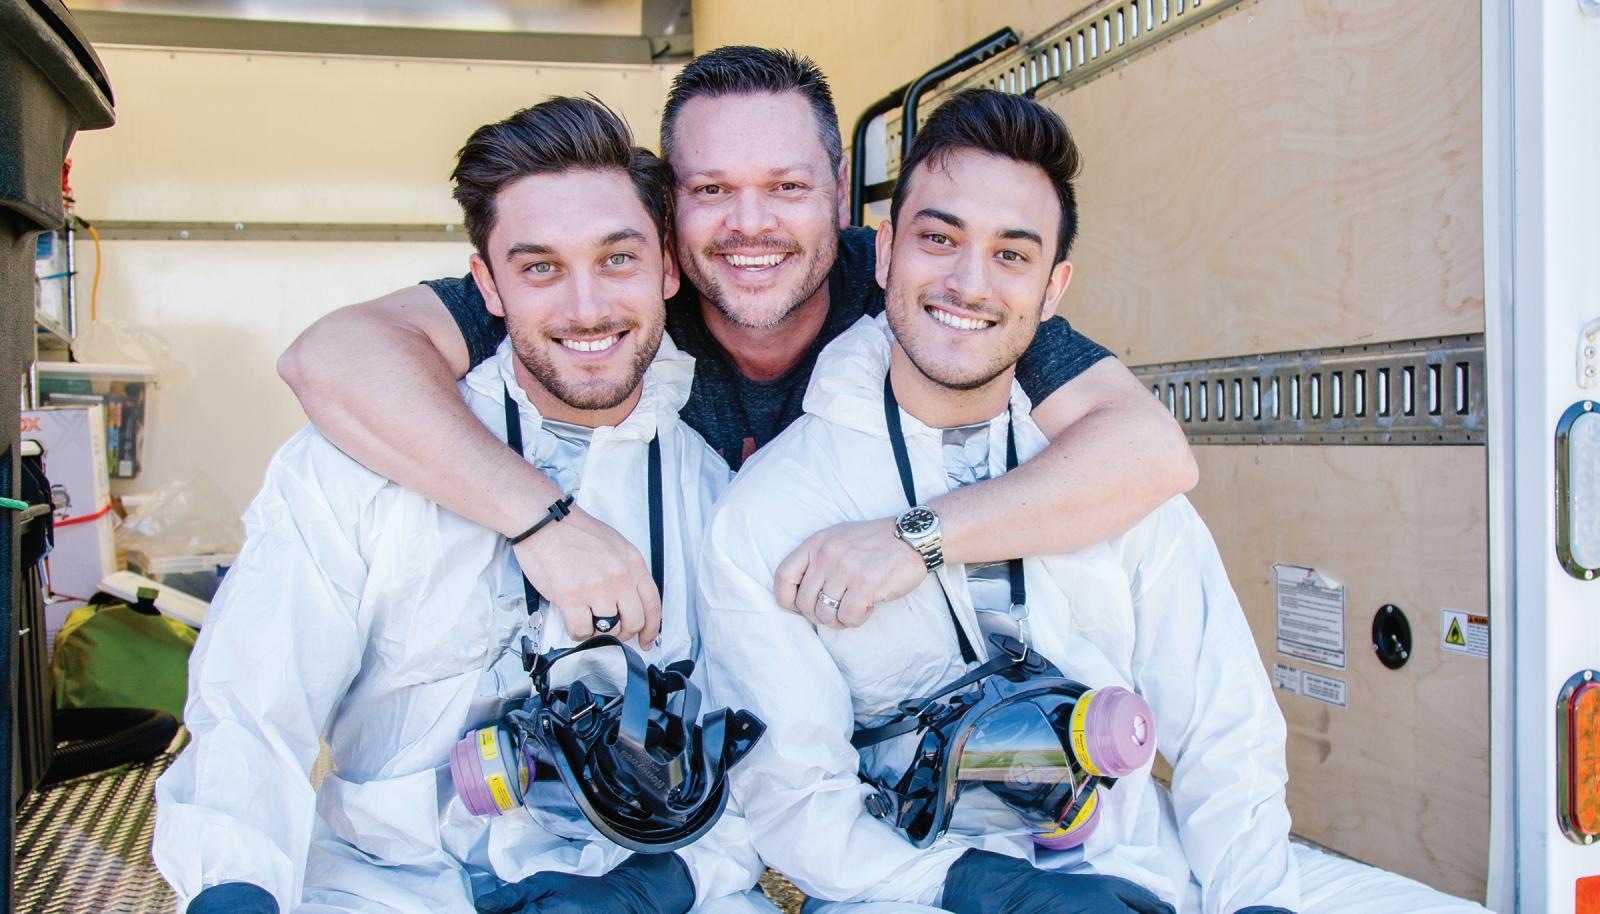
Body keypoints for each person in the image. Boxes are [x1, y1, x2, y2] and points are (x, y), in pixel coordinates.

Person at [696, 89, 1491, 914]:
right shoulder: (768, 513)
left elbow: (1223, 727)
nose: (969, 282)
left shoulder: (1102, 473)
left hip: (1139, 866)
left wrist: (1255, 897)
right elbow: (797, 799)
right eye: (939, 239)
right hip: (915, 891)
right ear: (887, 251)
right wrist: (987, 888)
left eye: (1012, 255)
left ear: (1053, 290)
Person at [275, 46, 1198, 648]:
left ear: (841, 191)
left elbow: (1148, 450)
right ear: (666, 207)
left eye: (786, 187)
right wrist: (539, 520)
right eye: (711, 190)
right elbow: (335, 356)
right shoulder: (618, 294)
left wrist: (920, 538)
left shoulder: (912, 286)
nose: (749, 225)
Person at [153, 98, 772, 914]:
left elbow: (763, 746)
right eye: (540, 268)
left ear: (666, 268)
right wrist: (233, 888)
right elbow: (251, 706)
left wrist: (656, 885)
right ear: (487, 286)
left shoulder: (718, 495)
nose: (586, 307)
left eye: (617, 259)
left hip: (627, 879)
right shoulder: (356, 466)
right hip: (382, 884)